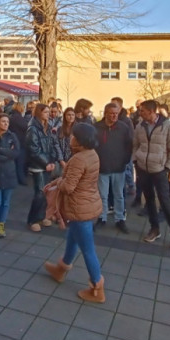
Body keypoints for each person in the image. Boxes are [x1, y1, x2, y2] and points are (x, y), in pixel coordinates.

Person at [44, 123, 105, 303]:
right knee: (73, 237)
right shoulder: (92, 154)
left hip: (80, 208)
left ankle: (97, 288)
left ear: (79, 140)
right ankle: (60, 270)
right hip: (87, 203)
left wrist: (58, 182)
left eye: (72, 135)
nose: (70, 137)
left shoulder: (79, 159)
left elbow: (69, 187)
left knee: (87, 249)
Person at [133, 100, 170, 251]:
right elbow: (135, 145)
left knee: (165, 202)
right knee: (148, 201)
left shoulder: (167, 126)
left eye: (142, 111)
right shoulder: (140, 126)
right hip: (143, 169)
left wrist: (168, 167)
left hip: (160, 170)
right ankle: (154, 228)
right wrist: (136, 160)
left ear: (151, 112)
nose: (139, 113)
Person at [94, 103, 132, 233]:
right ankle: (101, 217)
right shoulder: (97, 127)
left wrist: (125, 160)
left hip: (118, 167)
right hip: (102, 167)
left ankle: (120, 219)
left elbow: (129, 146)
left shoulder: (123, 128)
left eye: (116, 113)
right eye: (111, 113)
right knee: (102, 195)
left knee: (119, 195)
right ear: (105, 113)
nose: (114, 116)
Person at [26, 103, 58, 231]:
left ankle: (42, 215)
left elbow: (52, 144)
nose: (48, 114)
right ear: (39, 113)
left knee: (46, 192)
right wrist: (46, 163)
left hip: (48, 164)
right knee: (39, 193)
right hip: (38, 166)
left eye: (48, 112)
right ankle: (32, 219)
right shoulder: (33, 128)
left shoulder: (48, 126)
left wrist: (53, 160)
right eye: (45, 112)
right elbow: (33, 149)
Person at [8, 101, 28, 186]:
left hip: (14, 141)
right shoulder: (18, 118)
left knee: (16, 162)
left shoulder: (11, 116)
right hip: (20, 142)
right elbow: (26, 127)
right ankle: (21, 179)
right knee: (20, 162)